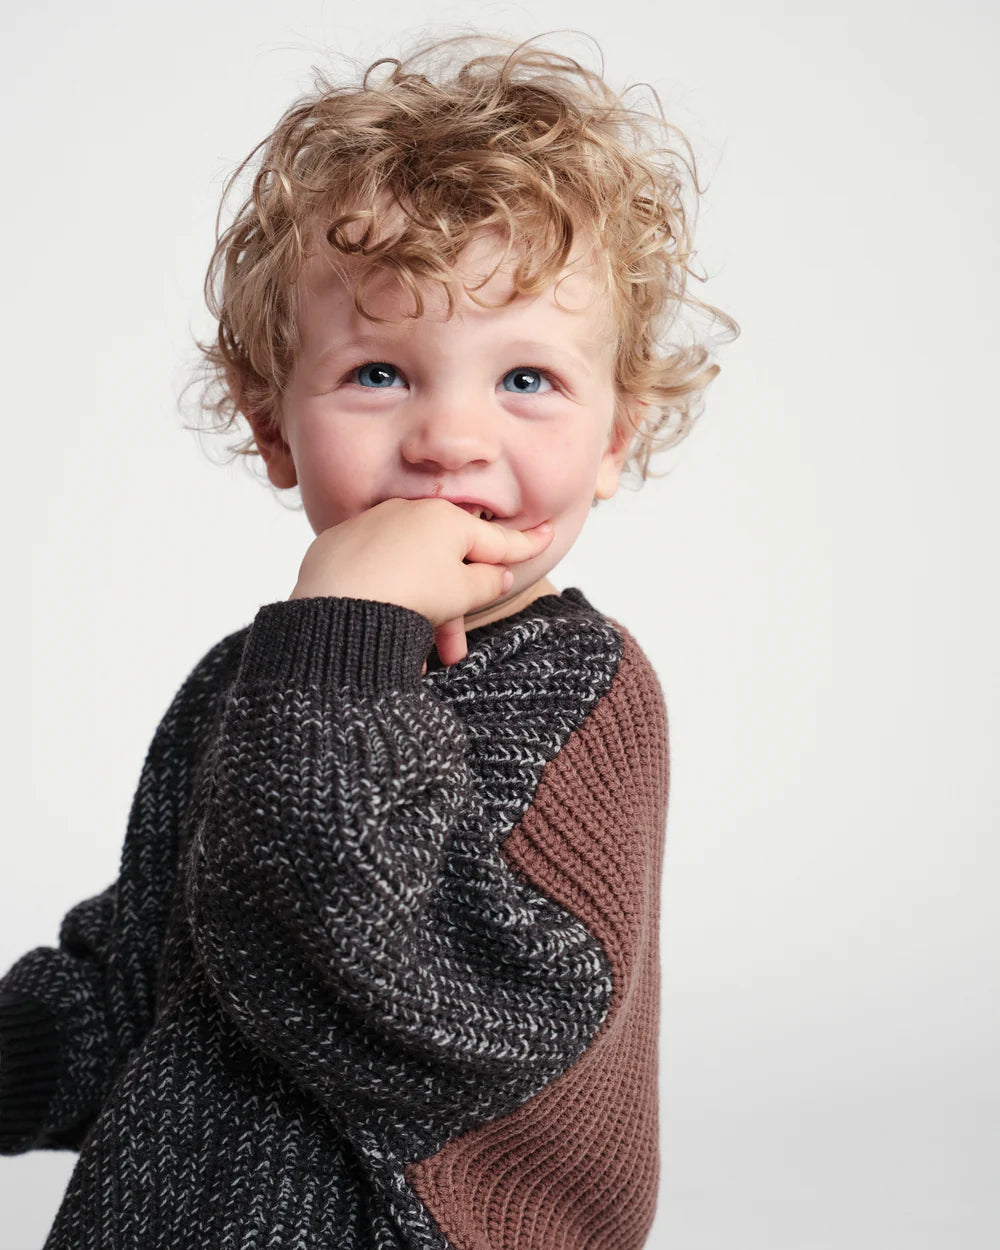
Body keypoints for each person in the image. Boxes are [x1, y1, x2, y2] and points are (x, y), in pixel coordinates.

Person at [0, 30, 737, 1248]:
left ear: (615, 437)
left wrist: (344, 639)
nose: (450, 438)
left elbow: (439, 1009)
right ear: (271, 425)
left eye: (527, 380)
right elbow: (146, 977)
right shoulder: (256, 677)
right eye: (381, 372)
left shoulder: (583, 694)